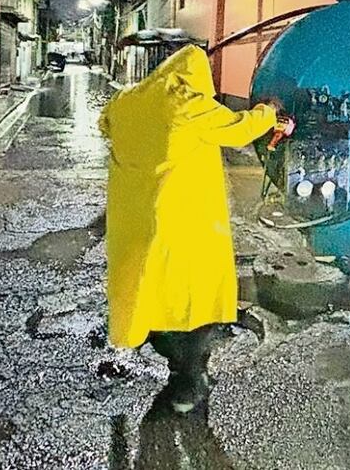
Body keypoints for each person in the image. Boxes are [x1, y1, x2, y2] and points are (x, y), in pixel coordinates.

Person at [98, 44, 286, 413]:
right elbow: (237, 129)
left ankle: (171, 362)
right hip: (182, 224)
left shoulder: (126, 101)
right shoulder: (184, 102)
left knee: (147, 295)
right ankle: (188, 380)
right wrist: (269, 111)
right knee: (195, 302)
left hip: (134, 224)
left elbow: (105, 124)